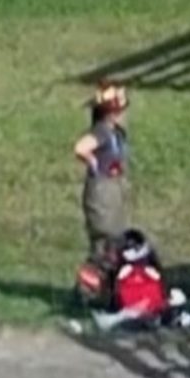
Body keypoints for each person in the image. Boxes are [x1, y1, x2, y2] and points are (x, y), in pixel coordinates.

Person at [71, 83, 132, 266]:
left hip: (114, 189)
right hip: (102, 190)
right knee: (104, 240)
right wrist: (92, 160)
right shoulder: (102, 131)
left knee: (115, 239)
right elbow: (80, 147)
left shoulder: (116, 133)